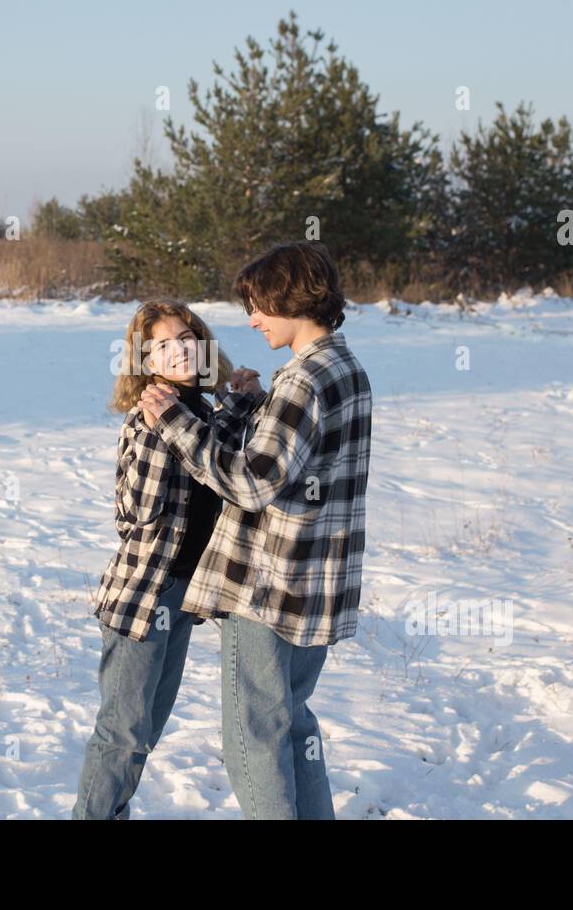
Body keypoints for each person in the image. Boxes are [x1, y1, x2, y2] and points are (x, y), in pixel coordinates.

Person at [139, 241, 372, 819]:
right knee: (291, 725)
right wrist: (256, 405)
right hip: (317, 586)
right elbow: (300, 458)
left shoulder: (304, 381)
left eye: (259, 306)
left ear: (291, 299)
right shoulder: (344, 369)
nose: (251, 319)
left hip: (268, 587)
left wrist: (174, 423)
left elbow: (252, 483)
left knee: (252, 741)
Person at [72, 298, 233, 819]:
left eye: (186, 338)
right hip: (144, 594)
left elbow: (228, 472)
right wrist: (164, 428)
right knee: (122, 733)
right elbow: (134, 515)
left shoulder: (203, 411)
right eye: (162, 344)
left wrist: (243, 404)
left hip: (184, 596)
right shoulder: (150, 419)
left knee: (145, 733)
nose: (179, 350)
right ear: (145, 359)